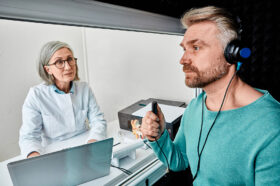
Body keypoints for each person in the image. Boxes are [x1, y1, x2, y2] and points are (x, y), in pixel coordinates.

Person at [140, 6, 280, 185]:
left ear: (231, 53)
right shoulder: (195, 106)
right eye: (184, 49)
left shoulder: (271, 126)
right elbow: (179, 161)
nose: (183, 59)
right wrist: (158, 136)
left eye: (196, 47)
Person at [19, 41, 107, 158]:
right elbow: (29, 137)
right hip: (55, 153)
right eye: (59, 62)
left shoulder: (84, 88)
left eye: (70, 59)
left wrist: (93, 142)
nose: (68, 66)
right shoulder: (36, 95)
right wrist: (34, 158)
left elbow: (98, 121)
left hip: (85, 147)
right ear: (48, 69)